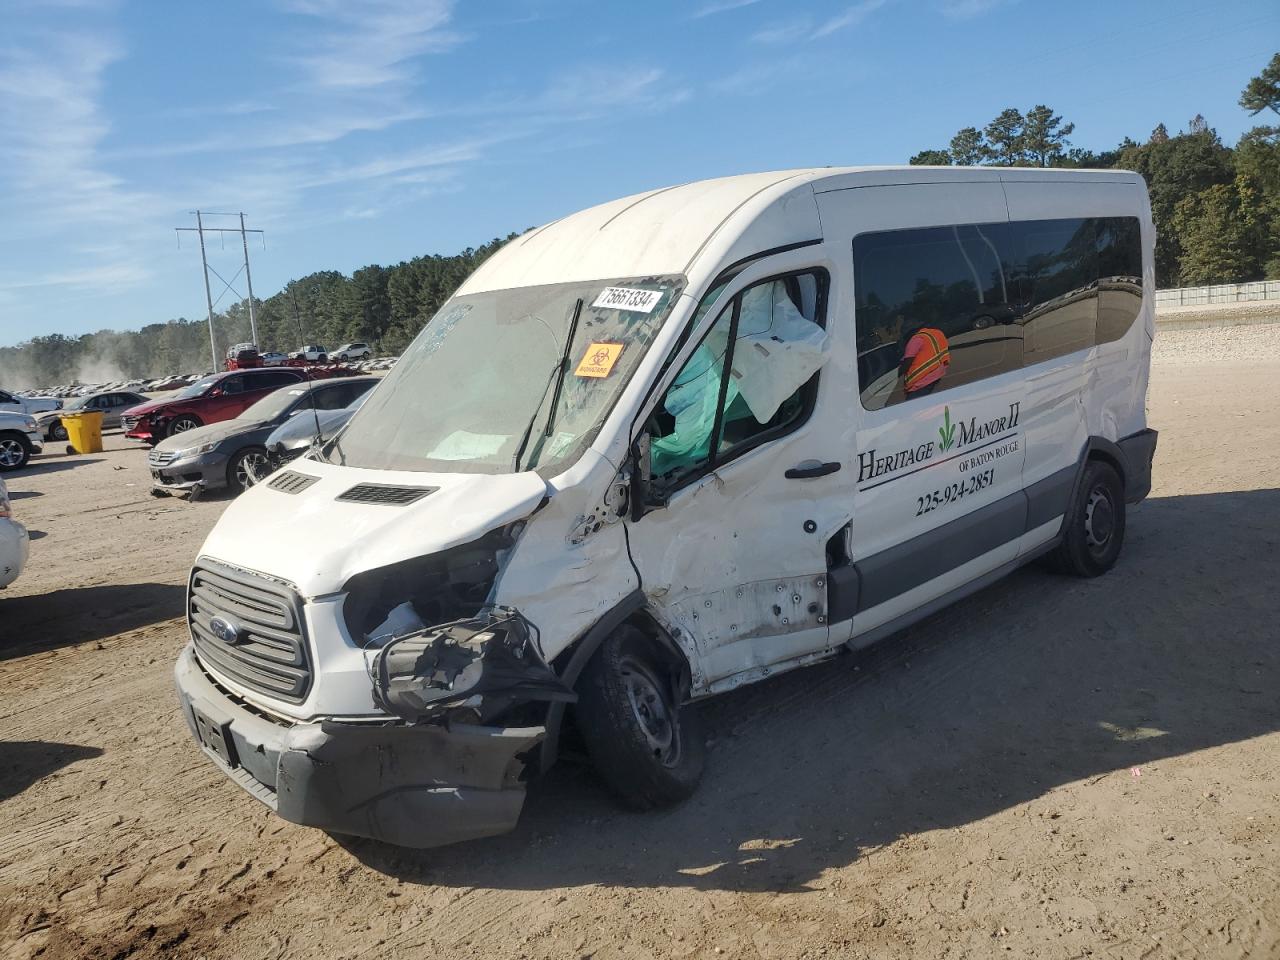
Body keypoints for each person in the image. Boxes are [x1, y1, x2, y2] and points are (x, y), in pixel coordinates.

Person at [898, 324, 951, 397]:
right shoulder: (936, 333)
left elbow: (907, 362)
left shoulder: (915, 340)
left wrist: (898, 373)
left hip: (920, 384)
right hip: (937, 375)